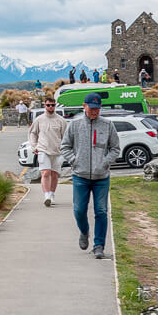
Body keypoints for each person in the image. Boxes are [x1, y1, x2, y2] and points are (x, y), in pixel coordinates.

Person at [61, 93, 120, 259]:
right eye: (92, 108)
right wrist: (75, 161)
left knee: (101, 211)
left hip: (101, 177)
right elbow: (65, 146)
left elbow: (115, 148)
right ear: (84, 106)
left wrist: (105, 162)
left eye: (97, 109)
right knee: (79, 210)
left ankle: (99, 245)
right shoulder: (75, 125)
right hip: (80, 176)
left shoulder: (107, 125)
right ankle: (84, 231)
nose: (95, 112)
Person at [28, 97, 67, 207]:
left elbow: (65, 137)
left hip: (57, 151)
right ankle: (46, 196)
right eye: (48, 105)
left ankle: (52, 194)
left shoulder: (61, 120)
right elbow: (32, 133)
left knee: (54, 174)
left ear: (55, 106)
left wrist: (65, 149)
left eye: (53, 105)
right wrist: (34, 146)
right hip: (43, 150)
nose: (51, 107)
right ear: (44, 105)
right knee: (45, 173)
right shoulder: (39, 120)